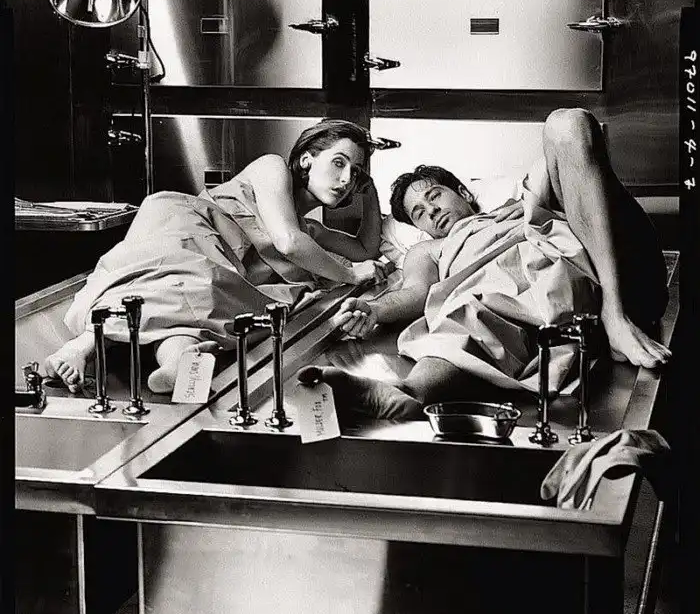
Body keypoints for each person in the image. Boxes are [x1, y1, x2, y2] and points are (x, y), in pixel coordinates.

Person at [298, 108, 672, 422]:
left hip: (597, 263)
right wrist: (374, 309)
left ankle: (615, 316)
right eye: (420, 213)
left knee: (566, 121)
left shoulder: (522, 205)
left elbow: (568, 150)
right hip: (522, 299)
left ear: (463, 191)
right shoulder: (430, 250)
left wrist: (530, 205)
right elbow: (415, 292)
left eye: (435, 196)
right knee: (466, 314)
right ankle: (408, 393)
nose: (432, 211)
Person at [45, 119, 389, 395]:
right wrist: (350, 275)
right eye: (339, 163)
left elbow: (365, 250)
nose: (346, 179)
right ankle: (82, 346)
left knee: (200, 304)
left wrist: (369, 191)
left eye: (355, 173)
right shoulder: (273, 168)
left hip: (216, 266)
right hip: (186, 226)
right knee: (179, 281)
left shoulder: (309, 230)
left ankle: (177, 361)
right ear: (306, 160)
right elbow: (288, 243)